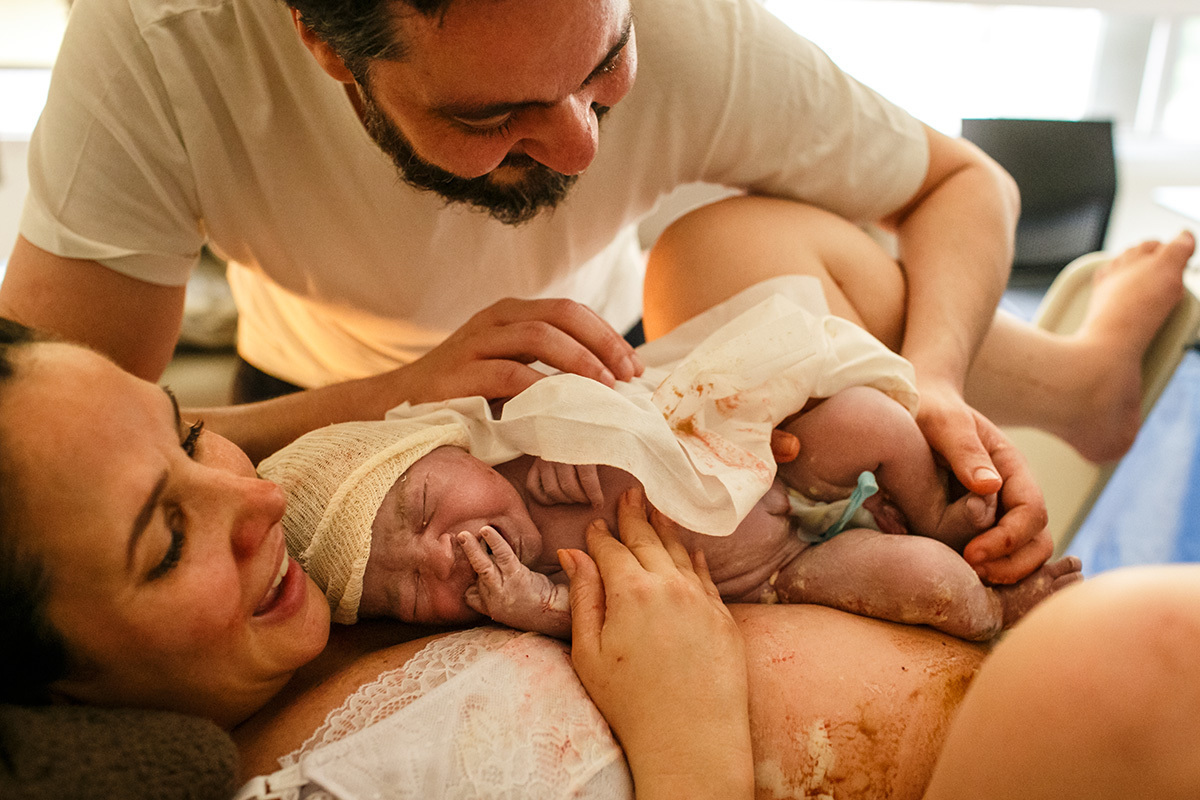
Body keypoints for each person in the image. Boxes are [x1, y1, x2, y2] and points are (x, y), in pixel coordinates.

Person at [0, 323, 1198, 800]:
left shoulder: (325, 523)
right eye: (167, 539)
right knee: (1143, 658)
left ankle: (1081, 352)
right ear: (58, 695)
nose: (249, 495)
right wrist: (688, 738)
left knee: (739, 238)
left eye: (190, 426)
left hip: (921, 588)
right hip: (1005, 742)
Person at [1, 0, 1051, 537]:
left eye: (602, 68)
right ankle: (1081, 372)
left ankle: (1077, 373)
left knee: (724, 253)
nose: (584, 148)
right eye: (492, 113)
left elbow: (967, 187)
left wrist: (937, 383)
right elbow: (49, 463)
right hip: (317, 400)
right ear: (324, 45)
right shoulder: (160, 46)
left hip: (600, 367)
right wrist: (393, 398)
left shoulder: (686, 27)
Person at [257, 297, 1082, 641]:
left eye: (429, 504)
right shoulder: (527, 586)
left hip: (768, 469)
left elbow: (634, 394)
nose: (450, 551)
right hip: (777, 572)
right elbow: (595, 615)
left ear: (452, 447)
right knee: (921, 583)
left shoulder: (527, 438)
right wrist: (537, 605)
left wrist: (591, 438)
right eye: (409, 593)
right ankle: (996, 606)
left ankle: (935, 503)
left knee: (873, 421)